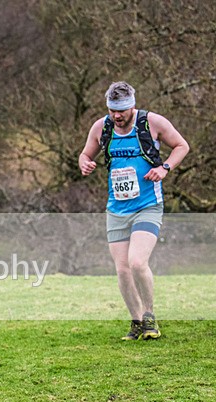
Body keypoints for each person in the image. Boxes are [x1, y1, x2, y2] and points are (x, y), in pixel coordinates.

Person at [79, 81, 189, 340]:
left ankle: (150, 316)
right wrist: (85, 163)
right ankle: (136, 320)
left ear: (132, 105)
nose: (117, 116)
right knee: (122, 269)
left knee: (137, 262)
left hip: (148, 206)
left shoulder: (152, 123)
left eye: (123, 110)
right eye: (113, 110)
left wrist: (165, 168)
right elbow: (85, 154)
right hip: (117, 209)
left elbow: (182, 146)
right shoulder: (101, 127)